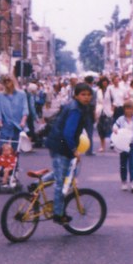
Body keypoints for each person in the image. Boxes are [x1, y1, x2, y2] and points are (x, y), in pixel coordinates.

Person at [45, 82, 93, 225]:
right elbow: (68, 133)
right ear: (76, 95)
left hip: (58, 143)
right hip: (61, 145)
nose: (86, 97)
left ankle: (36, 184)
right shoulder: (76, 110)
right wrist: (74, 150)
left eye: (89, 95)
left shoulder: (78, 106)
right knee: (62, 182)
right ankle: (58, 214)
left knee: (65, 172)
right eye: (83, 94)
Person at [112, 100, 133, 192]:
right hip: (123, 144)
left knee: (132, 164)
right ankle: (124, 181)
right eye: (127, 108)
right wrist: (115, 129)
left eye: (131, 109)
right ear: (124, 109)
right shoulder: (120, 119)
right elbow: (115, 126)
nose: (129, 111)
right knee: (123, 164)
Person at [0, 76, 29, 149]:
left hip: (18, 124)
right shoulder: (0, 95)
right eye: (5, 81)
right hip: (5, 124)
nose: (7, 82)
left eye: (9, 80)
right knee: (2, 147)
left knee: (15, 148)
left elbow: (25, 109)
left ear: (13, 81)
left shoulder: (22, 94)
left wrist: (23, 121)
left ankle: (14, 159)